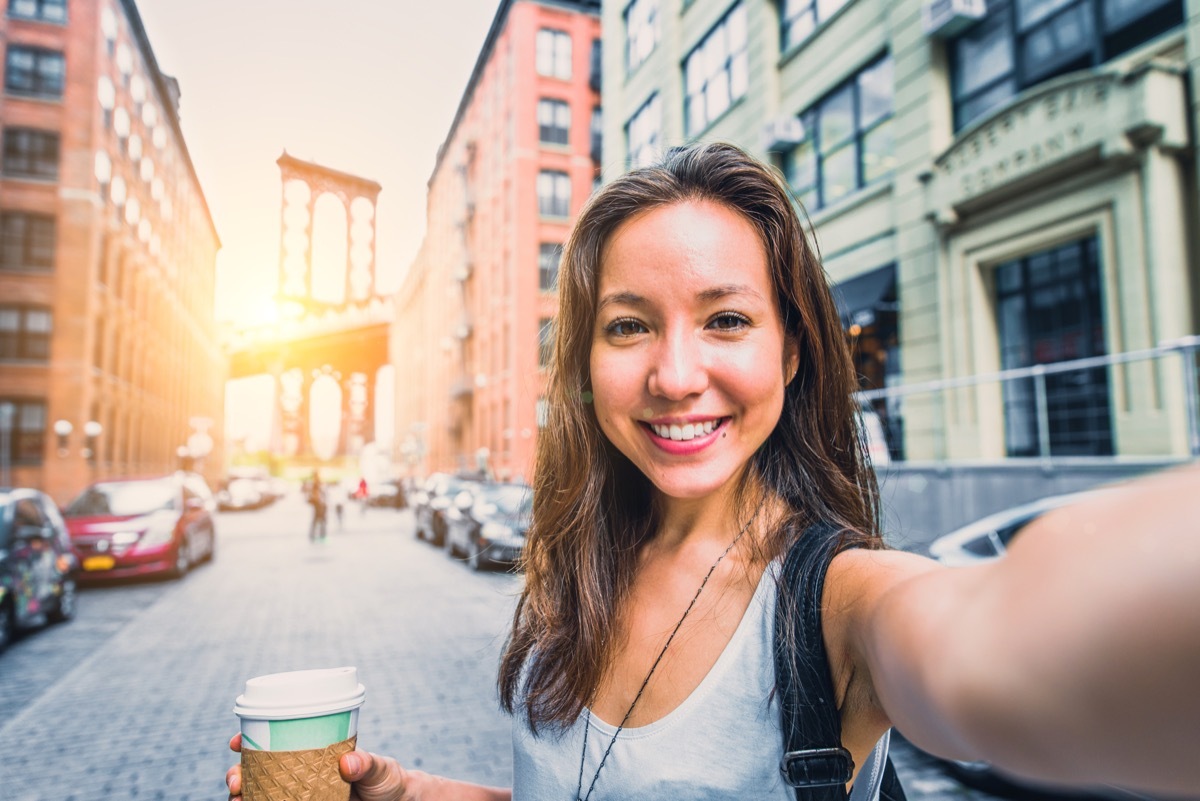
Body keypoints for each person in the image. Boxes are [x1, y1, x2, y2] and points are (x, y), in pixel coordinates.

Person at [226, 143, 1200, 800]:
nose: (674, 375)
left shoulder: (840, 602)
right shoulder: (577, 566)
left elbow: (1010, 637)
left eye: (727, 319)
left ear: (791, 353)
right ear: (586, 361)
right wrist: (416, 794)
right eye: (629, 325)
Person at [307, 470, 328, 543]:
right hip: (318, 504)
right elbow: (317, 495)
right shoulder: (316, 484)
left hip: (319, 504)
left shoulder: (316, 483)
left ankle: (318, 535)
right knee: (319, 520)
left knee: (318, 520)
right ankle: (320, 535)